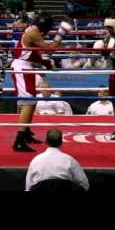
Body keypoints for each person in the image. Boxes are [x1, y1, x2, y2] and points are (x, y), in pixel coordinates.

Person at [11, 13, 73, 152]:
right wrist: (61, 33)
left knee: (31, 102)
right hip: (22, 68)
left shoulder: (35, 30)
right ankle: (19, 140)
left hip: (27, 66)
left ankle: (26, 133)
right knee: (28, 102)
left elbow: (34, 52)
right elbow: (50, 48)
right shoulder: (33, 32)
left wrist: (45, 62)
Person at [25, 128, 89, 192]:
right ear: (61, 142)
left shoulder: (36, 160)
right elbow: (84, 184)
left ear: (46, 142)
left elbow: (28, 186)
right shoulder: (69, 160)